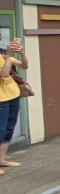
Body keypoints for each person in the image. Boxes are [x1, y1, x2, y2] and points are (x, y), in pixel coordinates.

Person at [0, 39, 27, 175]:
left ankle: (2, 159)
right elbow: (4, 73)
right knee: (1, 130)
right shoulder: (5, 56)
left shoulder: (3, 55)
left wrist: (22, 54)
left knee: (9, 128)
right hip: (1, 100)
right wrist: (8, 56)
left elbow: (24, 66)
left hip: (13, 96)